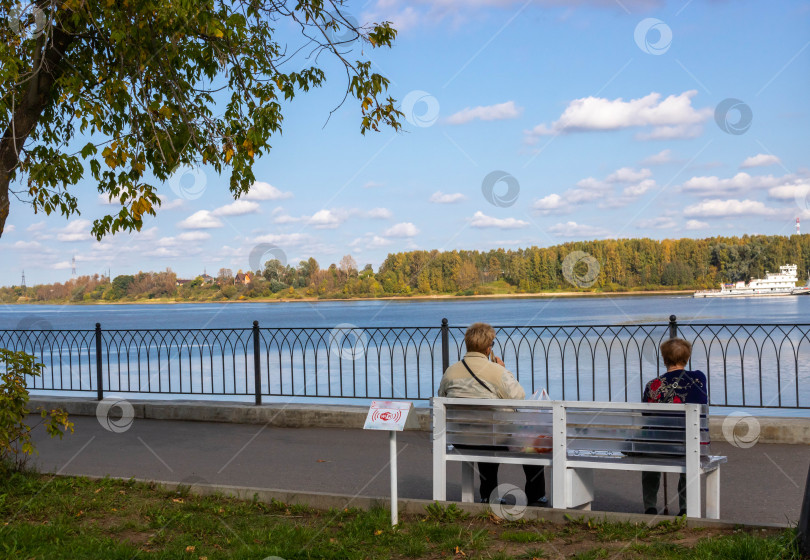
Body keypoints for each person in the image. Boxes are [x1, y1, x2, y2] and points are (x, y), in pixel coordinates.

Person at [438, 322, 546, 506]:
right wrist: (503, 369)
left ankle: (488, 495)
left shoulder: (450, 372)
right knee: (530, 442)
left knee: (484, 434)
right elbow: (519, 396)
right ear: (489, 348)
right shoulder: (496, 371)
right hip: (494, 439)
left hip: (461, 439)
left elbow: (442, 397)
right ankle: (536, 495)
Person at [641, 337, 708, 516]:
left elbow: (646, 416)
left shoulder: (652, 385)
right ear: (686, 359)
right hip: (690, 444)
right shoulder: (699, 379)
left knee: (650, 457)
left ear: (664, 359)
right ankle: (685, 509)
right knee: (688, 456)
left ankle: (650, 507)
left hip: (660, 445)